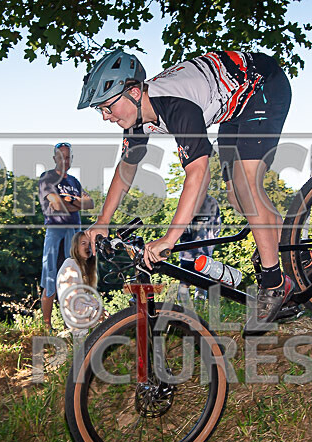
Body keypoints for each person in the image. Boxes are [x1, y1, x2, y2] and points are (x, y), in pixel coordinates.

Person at [79, 50, 293, 330]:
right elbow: (126, 170)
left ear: (133, 92)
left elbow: (198, 175)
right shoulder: (138, 116)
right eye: (101, 110)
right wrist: (103, 221)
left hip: (263, 85)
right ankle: (295, 254)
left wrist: (170, 237)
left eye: (108, 106)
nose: (105, 117)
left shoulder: (176, 106)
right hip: (232, 107)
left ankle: (275, 282)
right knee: (237, 198)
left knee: (247, 187)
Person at [39, 142, 94, 329]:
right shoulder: (47, 178)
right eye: (61, 156)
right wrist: (76, 203)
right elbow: (55, 204)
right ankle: (47, 326)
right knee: (51, 279)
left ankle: (70, 324)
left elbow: (90, 203)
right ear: (55, 158)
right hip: (55, 232)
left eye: (68, 156)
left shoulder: (73, 182)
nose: (65, 160)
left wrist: (69, 201)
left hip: (75, 235)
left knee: (75, 278)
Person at [56, 232, 102, 340]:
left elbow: (82, 298)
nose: (88, 247)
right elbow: (73, 302)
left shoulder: (82, 268)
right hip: (81, 327)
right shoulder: (70, 265)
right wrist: (96, 313)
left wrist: (99, 309)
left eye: (90, 244)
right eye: (83, 243)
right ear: (76, 247)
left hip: (85, 323)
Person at [178, 194, 221, 301]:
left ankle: (196, 309)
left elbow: (217, 226)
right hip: (188, 254)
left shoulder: (210, 202)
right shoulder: (192, 199)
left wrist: (210, 242)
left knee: (200, 283)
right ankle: (183, 309)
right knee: (188, 283)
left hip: (201, 254)